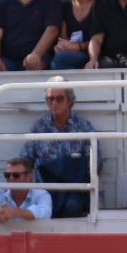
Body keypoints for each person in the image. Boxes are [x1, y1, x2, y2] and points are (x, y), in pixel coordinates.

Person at [21, 80, 95, 217]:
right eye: (50, 98)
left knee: (72, 207)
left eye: (59, 98)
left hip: (74, 189)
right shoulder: (39, 127)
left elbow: (97, 163)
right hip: (45, 189)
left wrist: (69, 166)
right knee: (40, 207)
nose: (54, 102)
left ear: (70, 101)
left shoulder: (84, 126)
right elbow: (25, 160)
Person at [0, 155, 53, 222]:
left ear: (29, 177)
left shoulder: (41, 194)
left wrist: (14, 212)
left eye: (16, 175)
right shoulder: (1, 192)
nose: (11, 178)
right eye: (7, 175)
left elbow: (45, 214)